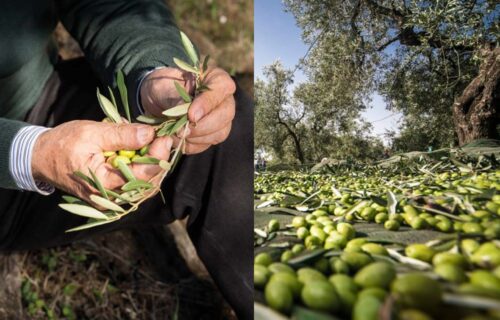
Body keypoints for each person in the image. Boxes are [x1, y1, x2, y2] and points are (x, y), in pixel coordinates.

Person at [0, 0, 252, 319]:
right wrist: (29, 152)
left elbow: (114, 6)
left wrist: (153, 76)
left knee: (227, 129)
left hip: (37, 102)